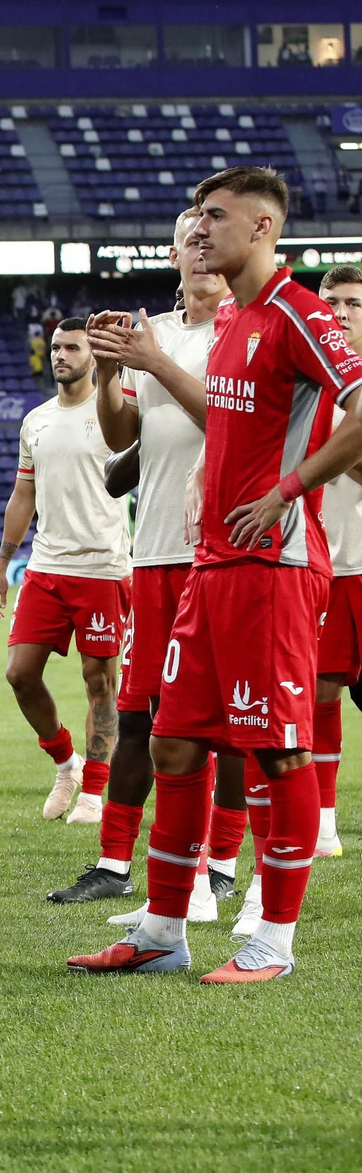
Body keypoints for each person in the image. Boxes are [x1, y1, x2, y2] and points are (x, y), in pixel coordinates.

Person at [71, 166, 362, 983]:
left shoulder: (300, 315)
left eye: (216, 217)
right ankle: (165, 929)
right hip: (210, 565)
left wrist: (286, 489)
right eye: (195, 219)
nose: (199, 230)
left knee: (277, 753)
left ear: (264, 228)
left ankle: (272, 941)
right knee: (172, 741)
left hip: (273, 567)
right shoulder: (233, 321)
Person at [51, 210, 243, 917]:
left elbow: (233, 420)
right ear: (171, 251)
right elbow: (122, 435)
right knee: (138, 717)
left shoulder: (246, 330)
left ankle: (220, 863)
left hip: (221, 553)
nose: (199, 248)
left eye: (208, 236)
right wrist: (108, 371)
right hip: (156, 550)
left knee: (220, 726)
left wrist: (152, 361)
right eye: (187, 238)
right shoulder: (157, 331)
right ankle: (111, 860)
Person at [0, 319, 129, 824]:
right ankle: (66, 762)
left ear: (93, 355)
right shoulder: (36, 421)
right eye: (55, 347)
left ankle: (94, 789)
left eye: (72, 347)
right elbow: (22, 495)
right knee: (20, 673)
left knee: (100, 683)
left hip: (104, 566)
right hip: (45, 566)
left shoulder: (116, 414)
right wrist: (3, 564)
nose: (61, 355)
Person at [312, 263, 362, 859]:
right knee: (318, 695)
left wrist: (330, 448)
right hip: (321, 568)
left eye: (353, 304)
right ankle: (324, 822)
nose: (341, 314)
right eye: (331, 303)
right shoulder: (301, 381)